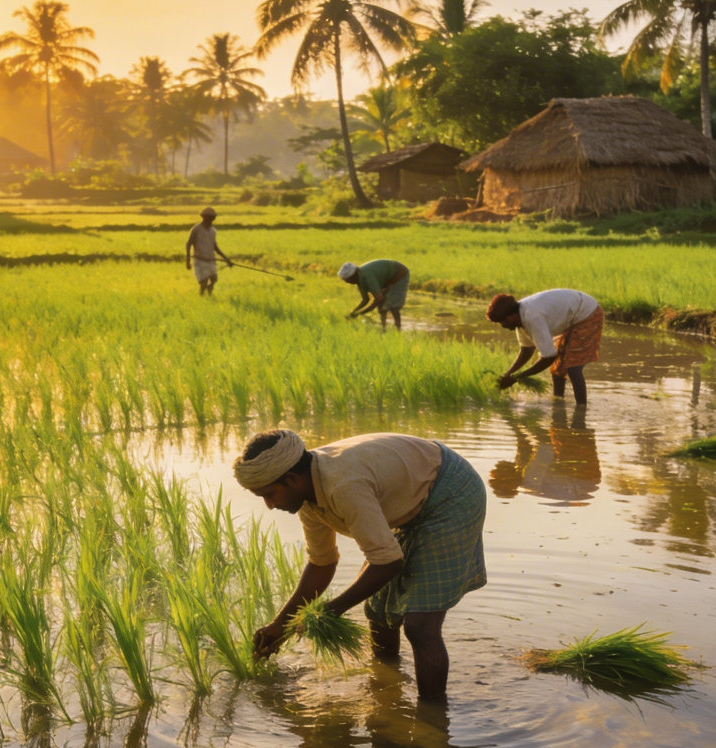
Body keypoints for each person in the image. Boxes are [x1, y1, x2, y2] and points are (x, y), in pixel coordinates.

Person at [233, 429, 486, 699]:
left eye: (269, 494)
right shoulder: (307, 498)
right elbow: (322, 564)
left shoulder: (343, 485)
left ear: (291, 478)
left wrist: (332, 609)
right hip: (411, 497)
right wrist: (279, 625)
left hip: (450, 493)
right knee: (378, 613)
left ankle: (432, 720)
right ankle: (388, 693)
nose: (269, 505)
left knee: (421, 626)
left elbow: (388, 563)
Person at [486, 288, 604, 405]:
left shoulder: (532, 317)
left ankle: (581, 409)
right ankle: (558, 403)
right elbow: (527, 349)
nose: (503, 325)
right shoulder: (521, 319)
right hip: (571, 315)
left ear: (512, 315)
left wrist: (517, 377)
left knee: (573, 367)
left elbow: (549, 357)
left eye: (504, 321)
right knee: (557, 368)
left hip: (586, 313)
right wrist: (508, 374)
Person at [338, 259, 409, 330]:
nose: (347, 282)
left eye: (347, 280)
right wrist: (354, 313)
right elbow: (365, 300)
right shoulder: (360, 280)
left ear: (353, 276)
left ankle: (398, 328)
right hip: (387, 279)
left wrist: (359, 313)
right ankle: (384, 328)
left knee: (393, 305)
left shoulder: (367, 276)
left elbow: (378, 298)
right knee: (382, 307)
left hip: (399, 274)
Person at [185, 207, 232, 295]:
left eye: (212, 218)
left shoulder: (213, 231)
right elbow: (188, 244)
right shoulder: (196, 229)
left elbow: (215, 247)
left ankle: (209, 294)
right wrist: (188, 261)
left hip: (210, 259)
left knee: (214, 278)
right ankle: (202, 297)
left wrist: (226, 259)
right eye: (209, 217)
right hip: (199, 260)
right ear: (204, 217)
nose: (210, 220)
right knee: (204, 281)